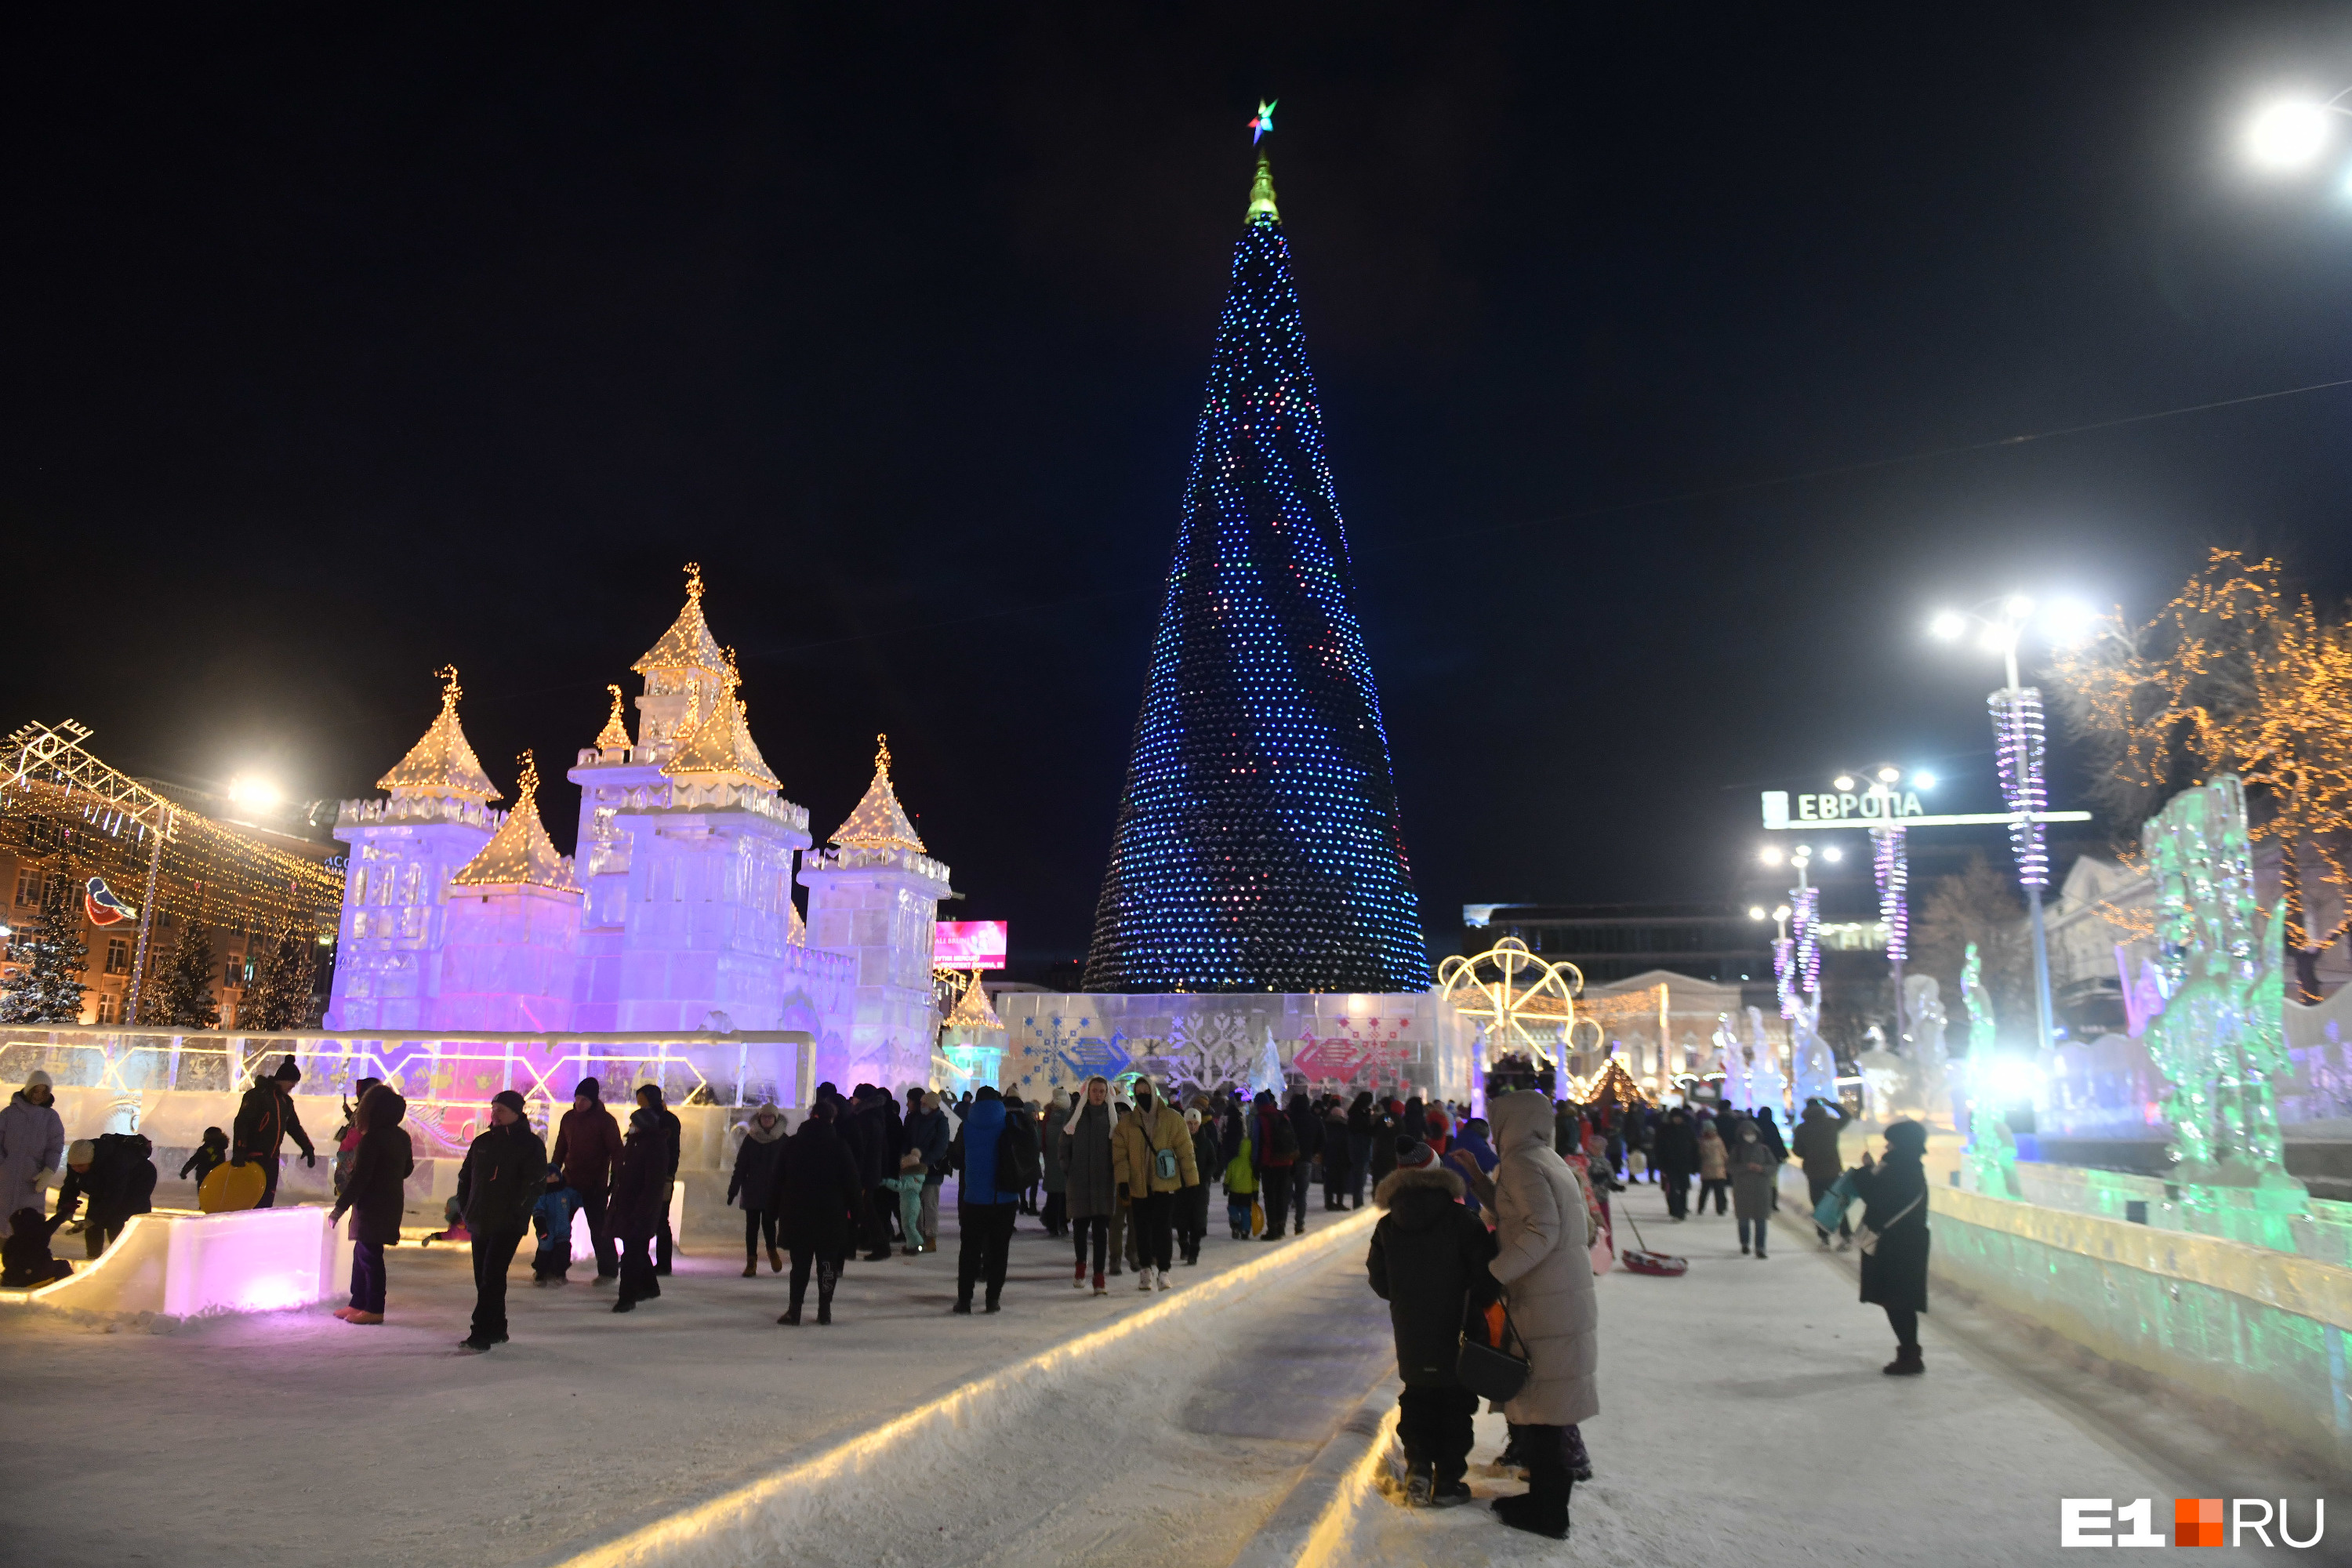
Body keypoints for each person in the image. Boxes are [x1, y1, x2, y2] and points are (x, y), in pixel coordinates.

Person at [1481, 1091, 1599, 1542]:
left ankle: (1550, 1513)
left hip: (1544, 1299)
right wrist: (1477, 1181)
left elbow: (1541, 1227)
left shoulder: (1522, 1164)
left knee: (1546, 1412)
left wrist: (1495, 1274)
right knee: (1547, 1410)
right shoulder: (1545, 1158)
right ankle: (1543, 1501)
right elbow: (1518, 1208)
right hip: (1559, 1297)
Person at [1370, 1138, 1497, 1508]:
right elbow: (1486, 1277)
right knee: (1456, 1401)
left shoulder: (1388, 1225)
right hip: (1458, 1327)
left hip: (1411, 1329)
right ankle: (1448, 1481)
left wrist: (1409, 1300)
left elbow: (1380, 1281)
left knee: (1419, 1394)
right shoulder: (1463, 1221)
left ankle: (1419, 1468)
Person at [452, 1091, 546, 1351]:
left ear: (517, 1113)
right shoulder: (483, 1143)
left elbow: (536, 1183)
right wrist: (465, 1207)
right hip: (479, 1219)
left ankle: (480, 1332)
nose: (495, 1115)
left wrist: (517, 1211)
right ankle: (497, 1327)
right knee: (484, 1276)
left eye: (501, 1110)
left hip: (508, 1223)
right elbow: (466, 1177)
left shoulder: (530, 1144)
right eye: (493, 1110)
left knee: (491, 1275)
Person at [771, 1096, 865, 1324]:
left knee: (800, 1265)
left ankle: (795, 1310)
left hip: (798, 1213)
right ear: (832, 1119)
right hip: (831, 1216)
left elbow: (777, 1180)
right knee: (827, 1264)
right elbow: (852, 1183)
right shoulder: (839, 1146)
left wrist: (773, 1209)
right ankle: (825, 1310)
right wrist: (858, 1215)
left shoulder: (793, 1144)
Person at [1849, 1120, 1933, 1374]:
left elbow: (1878, 1199)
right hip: (1906, 1241)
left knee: (1897, 1300)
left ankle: (1910, 1355)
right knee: (1898, 1300)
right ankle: (1909, 1352)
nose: (1888, 1145)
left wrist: (1864, 1172)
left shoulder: (1900, 1167)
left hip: (1896, 1244)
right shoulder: (1908, 1165)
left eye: (1891, 1140)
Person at [328, 1085, 412, 1323]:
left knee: (370, 1255)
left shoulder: (372, 1139)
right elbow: (407, 1169)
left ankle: (374, 1308)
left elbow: (360, 1179)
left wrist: (339, 1209)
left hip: (371, 1204)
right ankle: (359, 1303)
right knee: (363, 1252)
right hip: (390, 1201)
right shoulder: (401, 1137)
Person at [1111, 1076, 1199, 1291]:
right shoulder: (1127, 1124)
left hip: (1164, 1183)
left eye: (1145, 1091)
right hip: (1138, 1185)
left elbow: (1185, 1151)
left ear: (1153, 1092)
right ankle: (1145, 1270)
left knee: (1162, 1227)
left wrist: (1192, 1180)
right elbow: (1120, 1156)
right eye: (1138, 1092)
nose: (1142, 1096)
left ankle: (1164, 1270)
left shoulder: (1173, 1119)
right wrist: (1123, 1181)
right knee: (1141, 1229)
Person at [949, 1084, 1025, 1313]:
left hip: (974, 1198)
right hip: (1005, 1196)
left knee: (969, 1251)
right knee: (1000, 1250)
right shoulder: (1008, 1123)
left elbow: (956, 1160)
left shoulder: (966, 1126)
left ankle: (965, 1301)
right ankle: (992, 1299)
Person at [554, 1077, 623, 1282]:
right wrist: (553, 1171)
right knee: (561, 1227)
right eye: (577, 1098)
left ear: (593, 1100)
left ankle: (608, 1271)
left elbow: (616, 1151)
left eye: (584, 1099)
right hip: (569, 1181)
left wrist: (616, 1178)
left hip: (595, 1184)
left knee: (600, 1229)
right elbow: (561, 1147)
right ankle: (556, 1269)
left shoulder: (605, 1121)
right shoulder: (568, 1118)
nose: (580, 1102)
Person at [230, 1055, 317, 1208]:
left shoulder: (286, 1102)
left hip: (272, 1159)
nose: (293, 1086)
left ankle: (261, 1227)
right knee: (251, 1197)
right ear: (282, 1079)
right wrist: (239, 1150)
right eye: (292, 1082)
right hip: (253, 1157)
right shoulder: (258, 1096)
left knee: (266, 1200)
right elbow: (242, 1123)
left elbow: (294, 1127)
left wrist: (308, 1147)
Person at [54, 1132, 157, 1258]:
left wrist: (93, 1220)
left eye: (80, 1166)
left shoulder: (115, 1163)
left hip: (138, 1181)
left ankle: (126, 1258)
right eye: (73, 1166)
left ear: (92, 1161)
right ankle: (93, 1256)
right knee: (93, 1220)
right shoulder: (77, 1163)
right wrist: (64, 1209)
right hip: (105, 1184)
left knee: (116, 1219)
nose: (76, 1169)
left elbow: (114, 1196)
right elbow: (70, 1186)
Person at [608, 1105, 670, 1313]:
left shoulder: (654, 1147)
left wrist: (642, 1212)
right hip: (628, 1207)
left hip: (639, 1210)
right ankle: (650, 1287)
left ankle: (627, 1297)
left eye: (634, 1123)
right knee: (637, 1251)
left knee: (632, 1255)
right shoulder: (634, 1143)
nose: (631, 1126)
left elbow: (652, 1185)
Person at [1061, 1076, 1117, 1292]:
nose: (1098, 1095)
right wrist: (1069, 1169)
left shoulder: (1112, 1120)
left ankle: (1099, 1276)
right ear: (1088, 1092)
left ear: (1107, 1093)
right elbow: (1064, 1145)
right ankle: (1081, 1265)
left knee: (1101, 1232)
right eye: (1095, 1091)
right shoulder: (1076, 1117)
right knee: (1080, 1229)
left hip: (1103, 1183)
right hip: (1080, 1183)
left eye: (1102, 1091)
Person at [728, 1103, 788, 1277]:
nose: (767, 1120)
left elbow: (789, 1167)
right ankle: (751, 1261)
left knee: (769, 1224)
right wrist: (734, 1188)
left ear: (775, 1119)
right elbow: (741, 1166)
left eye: (770, 1117)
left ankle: (772, 1251)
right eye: (764, 1117)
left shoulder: (783, 1140)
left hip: (773, 1190)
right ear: (760, 1118)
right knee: (752, 1227)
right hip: (753, 1188)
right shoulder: (751, 1139)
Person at [1, 1071, 65, 1220]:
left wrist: (48, 1171)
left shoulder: (51, 1118)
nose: (38, 1096)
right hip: (5, 1177)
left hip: (33, 1178)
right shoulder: (9, 1114)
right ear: (28, 1089)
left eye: (43, 1092)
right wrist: (3, 1165)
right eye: (35, 1091)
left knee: (28, 1222)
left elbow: (55, 1147)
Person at [634, 1084, 682, 1274]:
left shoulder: (667, 1121)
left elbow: (673, 1150)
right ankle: (640, 1257)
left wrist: (669, 1174)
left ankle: (663, 1263)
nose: (640, 1105)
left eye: (642, 1101)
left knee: (661, 1219)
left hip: (661, 1176)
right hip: (646, 1175)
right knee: (645, 1217)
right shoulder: (644, 1118)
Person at [898, 1089, 953, 1254]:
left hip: (931, 1170)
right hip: (914, 1168)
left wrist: (924, 1161)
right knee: (915, 1205)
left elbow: (941, 1147)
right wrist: (906, 1158)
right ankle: (917, 1237)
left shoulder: (941, 1122)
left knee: (929, 1204)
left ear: (932, 1105)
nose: (921, 1106)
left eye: (924, 1103)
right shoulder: (917, 1119)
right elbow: (908, 1139)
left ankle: (931, 1237)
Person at [1792, 1098, 1851, 1247]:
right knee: (1837, 1203)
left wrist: (1808, 1153)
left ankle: (1824, 1238)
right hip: (1833, 1171)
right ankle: (1846, 1235)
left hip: (1814, 1172)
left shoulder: (1802, 1128)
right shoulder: (1831, 1124)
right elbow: (1847, 1116)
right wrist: (1830, 1104)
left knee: (1819, 1205)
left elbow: (1797, 1151)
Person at [1730, 1119, 1780, 1258]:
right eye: (1746, 1133)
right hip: (1742, 1190)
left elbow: (1773, 1166)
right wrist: (1746, 1167)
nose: (1749, 1135)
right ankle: (1745, 1243)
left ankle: (1760, 1247)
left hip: (1761, 1189)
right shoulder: (1737, 1150)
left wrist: (1762, 1169)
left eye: (1752, 1133)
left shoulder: (1764, 1149)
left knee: (1761, 1220)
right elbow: (1730, 1167)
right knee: (1743, 1219)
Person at [1252, 1090, 1298, 1240]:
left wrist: (1256, 1164)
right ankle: (1281, 1227)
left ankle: (1273, 1229)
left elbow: (1257, 1143)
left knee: (1270, 1196)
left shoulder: (1260, 1119)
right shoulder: (1283, 1115)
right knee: (1282, 1195)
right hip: (1286, 1161)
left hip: (1269, 1162)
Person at [1178, 1105, 1219, 1265]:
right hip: (1182, 1187)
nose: (1192, 1127)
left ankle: (1194, 1251)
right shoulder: (1179, 1141)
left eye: (1195, 1123)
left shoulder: (1206, 1143)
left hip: (1200, 1189)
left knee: (1197, 1220)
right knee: (1181, 1218)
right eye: (1189, 1123)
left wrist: (1205, 1177)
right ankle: (1184, 1246)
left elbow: (1212, 1162)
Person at [330, 1076, 381, 1198]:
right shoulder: (368, 1113)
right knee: (347, 1178)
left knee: (345, 1178)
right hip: (351, 1149)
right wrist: (348, 1113)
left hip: (350, 1149)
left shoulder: (364, 1113)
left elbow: (358, 1126)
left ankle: (345, 1195)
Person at [531, 1170, 583, 1284]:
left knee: (563, 1251)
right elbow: (538, 1210)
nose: (553, 1178)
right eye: (550, 1176)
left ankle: (560, 1273)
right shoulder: (541, 1194)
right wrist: (540, 1225)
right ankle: (541, 1273)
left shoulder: (566, 1192)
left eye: (556, 1175)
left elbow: (578, 1200)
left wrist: (588, 1193)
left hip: (563, 1229)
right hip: (547, 1230)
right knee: (544, 1251)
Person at [4, 1206, 73, 1287]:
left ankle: (7, 1282)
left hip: (17, 1277)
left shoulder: (12, 1241)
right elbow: (54, 1222)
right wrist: (66, 1210)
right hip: (41, 1272)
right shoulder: (41, 1232)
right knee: (63, 1265)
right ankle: (70, 1288)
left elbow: (6, 1260)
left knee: (9, 1272)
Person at [1653, 1106, 1697, 1219]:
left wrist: (1695, 1164)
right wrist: (1661, 1164)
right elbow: (1659, 1148)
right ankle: (1675, 1209)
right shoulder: (1665, 1130)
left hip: (1684, 1164)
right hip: (1670, 1164)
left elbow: (1694, 1148)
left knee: (1684, 1188)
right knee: (1672, 1188)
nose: (1678, 1120)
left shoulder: (1687, 1129)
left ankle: (1682, 1209)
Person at [1221, 1109, 1258, 1240]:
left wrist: (1226, 1186)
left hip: (1234, 1191)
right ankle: (1245, 1230)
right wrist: (1256, 1192)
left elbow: (1228, 1175)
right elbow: (1255, 1180)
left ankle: (1235, 1220)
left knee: (1233, 1207)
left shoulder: (1234, 1162)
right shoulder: (1251, 1165)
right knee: (1246, 1212)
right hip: (1247, 1193)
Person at [1345, 1091, 1376, 1209]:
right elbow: (1371, 1130)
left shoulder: (1355, 1114)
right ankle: (1358, 1203)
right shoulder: (1359, 1116)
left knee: (1360, 1177)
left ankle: (1358, 1202)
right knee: (1360, 1178)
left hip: (1359, 1149)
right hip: (1362, 1150)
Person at [1695, 1119, 1729, 1216]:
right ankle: (1702, 1207)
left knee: (1719, 1191)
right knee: (1706, 1190)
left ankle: (1721, 1208)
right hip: (1708, 1169)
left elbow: (1723, 1153)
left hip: (1718, 1169)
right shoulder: (1703, 1141)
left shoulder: (1717, 1140)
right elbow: (1701, 1154)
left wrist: (1726, 1161)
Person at [180, 1126, 230, 1191]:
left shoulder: (206, 1149)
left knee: (206, 1198)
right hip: (218, 1179)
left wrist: (184, 1172)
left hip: (204, 1179)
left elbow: (194, 1161)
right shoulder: (220, 1149)